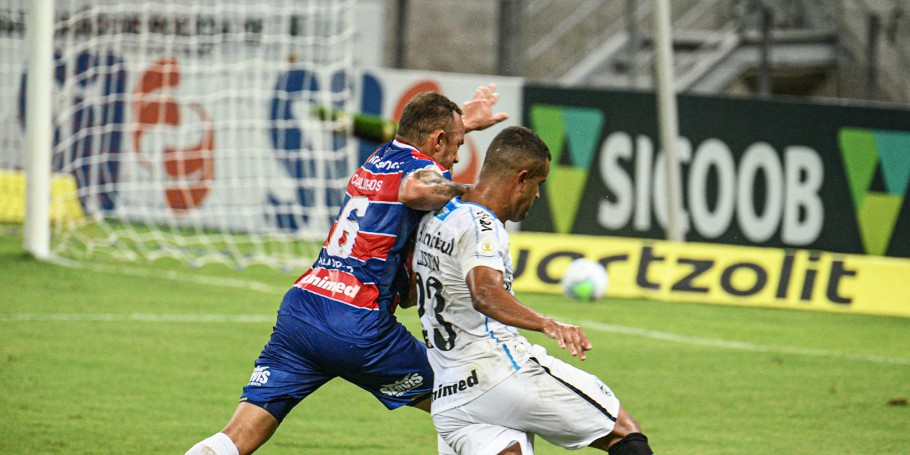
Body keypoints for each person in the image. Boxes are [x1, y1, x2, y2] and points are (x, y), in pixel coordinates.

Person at [185, 86, 508, 455]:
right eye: (457, 145)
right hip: (358, 325)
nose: (454, 157)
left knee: (237, 435)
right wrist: (480, 192)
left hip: (303, 310)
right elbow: (415, 187)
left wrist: (463, 122)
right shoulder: (423, 168)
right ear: (437, 140)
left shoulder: (379, 158)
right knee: (471, 406)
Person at [411, 126, 654, 455]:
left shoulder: (436, 215)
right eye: (539, 184)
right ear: (521, 179)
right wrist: (547, 322)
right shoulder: (483, 225)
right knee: (624, 433)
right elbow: (484, 292)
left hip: (451, 396)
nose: (537, 195)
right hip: (499, 373)